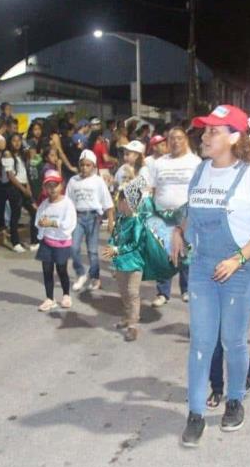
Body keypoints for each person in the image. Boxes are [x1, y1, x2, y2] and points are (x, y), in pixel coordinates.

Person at [170, 106, 250, 446]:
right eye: (204, 131)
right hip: (203, 267)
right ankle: (195, 414)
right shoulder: (200, 172)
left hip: (240, 271)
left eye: (213, 131)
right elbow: (191, 213)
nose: (204, 137)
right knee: (201, 343)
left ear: (234, 137)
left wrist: (237, 258)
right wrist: (179, 230)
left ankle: (234, 400)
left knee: (233, 341)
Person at [149, 127, 202, 307]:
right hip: (163, 213)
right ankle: (163, 292)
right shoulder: (159, 163)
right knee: (163, 254)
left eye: (179, 138)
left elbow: (200, 189)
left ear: (185, 140)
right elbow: (153, 189)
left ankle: (186, 289)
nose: (175, 142)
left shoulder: (195, 162)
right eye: (172, 138)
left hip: (186, 213)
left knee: (186, 253)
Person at [102, 183, 148, 342]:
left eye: (121, 202)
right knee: (123, 292)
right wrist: (112, 253)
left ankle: (133, 326)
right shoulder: (121, 219)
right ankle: (128, 317)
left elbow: (135, 243)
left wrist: (117, 250)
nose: (118, 205)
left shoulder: (137, 221)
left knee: (132, 292)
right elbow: (114, 237)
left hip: (135, 263)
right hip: (121, 263)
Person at [66, 149, 115, 292]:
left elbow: (108, 203)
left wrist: (111, 221)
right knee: (73, 248)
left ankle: (95, 278)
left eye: (88, 165)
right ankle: (81, 273)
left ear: (94, 166)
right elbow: (68, 203)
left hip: (93, 218)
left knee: (92, 251)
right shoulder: (73, 181)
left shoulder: (98, 181)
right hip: (78, 217)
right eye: (82, 165)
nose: (85, 168)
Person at [35, 170, 76, 312]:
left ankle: (66, 295)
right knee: (46, 270)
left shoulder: (67, 204)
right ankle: (49, 298)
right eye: (49, 186)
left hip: (61, 243)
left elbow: (68, 224)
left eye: (55, 185)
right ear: (45, 188)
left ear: (61, 185)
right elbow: (38, 220)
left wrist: (51, 223)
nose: (52, 189)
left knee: (61, 269)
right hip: (47, 242)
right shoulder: (44, 204)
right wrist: (41, 223)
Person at [2, 133, 38, 253]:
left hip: (23, 185)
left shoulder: (22, 155)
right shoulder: (7, 154)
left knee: (34, 212)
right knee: (15, 214)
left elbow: (24, 173)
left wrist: (28, 188)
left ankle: (34, 241)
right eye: (14, 141)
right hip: (14, 187)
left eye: (19, 141)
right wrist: (23, 189)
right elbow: (11, 176)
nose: (17, 143)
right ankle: (15, 242)